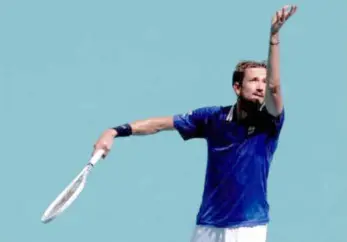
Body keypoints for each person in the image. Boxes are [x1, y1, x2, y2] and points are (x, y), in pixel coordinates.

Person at [92, 5, 298, 242]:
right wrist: (115, 131)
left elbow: (274, 87)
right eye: (254, 80)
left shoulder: (269, 122)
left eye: (263, 80)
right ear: (237, 87)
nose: (261, 86)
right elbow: (160, 124)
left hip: (248, 228)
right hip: (207, 226)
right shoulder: (212, 118)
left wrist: (274, 38)